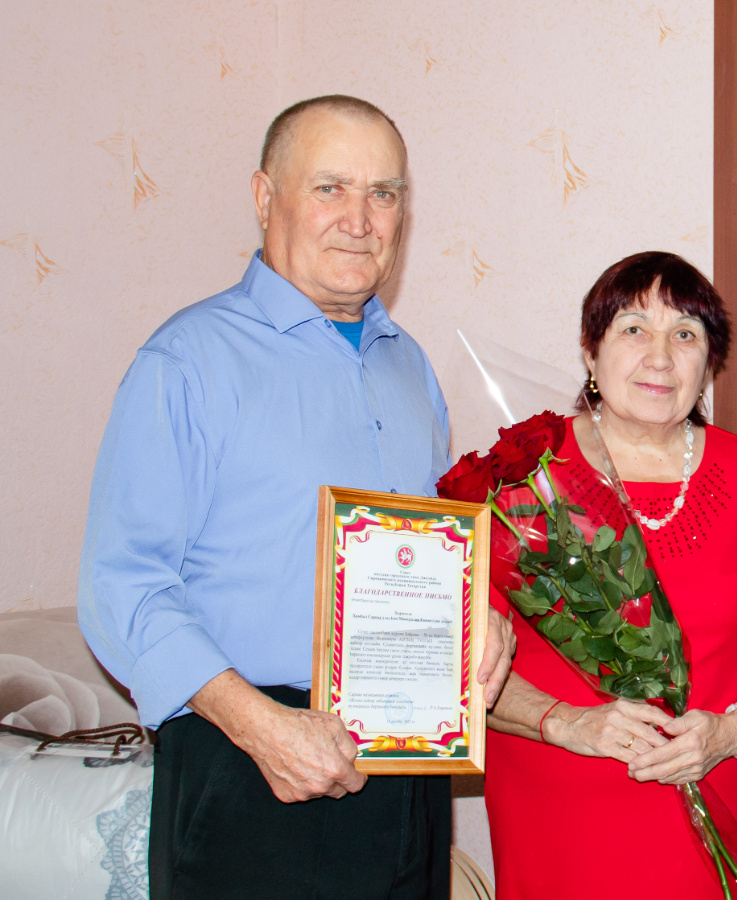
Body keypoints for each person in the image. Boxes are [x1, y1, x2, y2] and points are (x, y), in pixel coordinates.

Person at [77, 95, 515, 899]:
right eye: (329, 188)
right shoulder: (187, 361)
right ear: (264, 196)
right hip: (250, 765)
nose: (360, 219)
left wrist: (474, 620)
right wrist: (261, 727)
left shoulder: (407, 364)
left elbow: (419, 548)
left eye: (384, 193)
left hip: (410, 772)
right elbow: (122, 586)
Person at [482, 251, 737, 899]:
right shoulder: (525, 473)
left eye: (685, 334)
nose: (660, 357)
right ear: (591, 351)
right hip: (555, 810)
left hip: (707, 793)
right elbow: (464, 663)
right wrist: (566, 722)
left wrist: (735, 731)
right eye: (634, 329)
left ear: (709, 362)